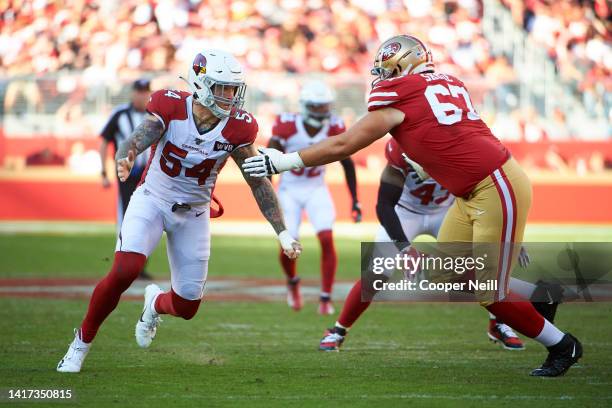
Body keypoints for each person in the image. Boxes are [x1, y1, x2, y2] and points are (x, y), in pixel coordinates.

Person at [242, 35, 582, 377]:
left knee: (487, 292)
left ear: (405, 65)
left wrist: (282, 162)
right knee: (452, 273)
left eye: (388, 70)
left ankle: (562, 346)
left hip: (493, 184)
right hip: (471, 192)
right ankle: (542, 294)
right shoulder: (446, 81)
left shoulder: (400, 95)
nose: (383, 78)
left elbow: (345, 144)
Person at [57, 50, 301, 373]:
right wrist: (128, 153)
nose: (229, 96)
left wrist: (282, 231)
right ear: (200, 84)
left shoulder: (239, 128)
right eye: (221, 88)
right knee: (124, 270)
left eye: (232, 89)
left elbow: (258, 182)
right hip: (153, 198)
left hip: (195, 212)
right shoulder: (171, 105)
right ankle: (80, 344)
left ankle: (154, 305)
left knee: (187, 306)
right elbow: (143, 134)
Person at [376, 138, 525, 350]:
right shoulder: (399, 148)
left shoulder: (458, 145)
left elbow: (484, 192)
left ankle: (499, 322)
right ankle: (338, 329)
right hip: (406, 211)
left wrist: (507, 231)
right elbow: (384, 204)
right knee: (376, 271)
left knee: (487, 262)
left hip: (446, 211)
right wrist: (404, 247)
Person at [267, 81, 361, 314]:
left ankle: (326, 298)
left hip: (317, 188)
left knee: (327, 238)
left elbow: (347, 163)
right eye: (317, 107)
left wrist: (355, 200)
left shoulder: (335, 126)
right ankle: (292, 283)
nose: (323, 111)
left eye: (325, 106)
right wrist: (269, 196)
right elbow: (268, 159)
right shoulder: (287, 125)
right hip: (289, 189)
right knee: (288, 244)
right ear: (306, 106)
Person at [99, 79, 153, 279]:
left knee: (149, 221)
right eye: (139, 91)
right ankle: (121, 268)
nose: (141, 95)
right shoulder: (120, 114)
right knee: (126, 219)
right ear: (132, 93)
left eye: (145, 91)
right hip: (126, 176)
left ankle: (140, 267)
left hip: (149, 176)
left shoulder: (155, 116)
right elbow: (104, 141)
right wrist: (103, 171)